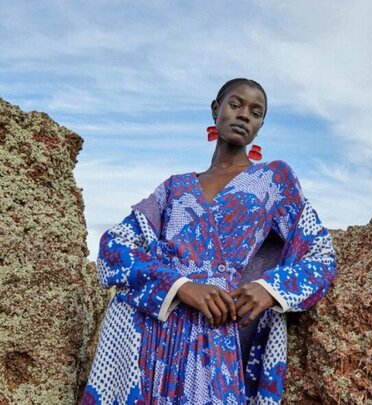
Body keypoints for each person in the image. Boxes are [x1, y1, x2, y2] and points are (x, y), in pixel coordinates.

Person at [81, 78, 337, 404]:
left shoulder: (275, 179)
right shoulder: (174, 188)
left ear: (260, 126)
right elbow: (113, 246)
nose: (244, 115)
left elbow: (320, 255)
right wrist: (181, 287)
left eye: (256, 112)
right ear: (216, 109)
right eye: (235, 104)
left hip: (215, 332)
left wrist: (271, 290)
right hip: (149, 330)